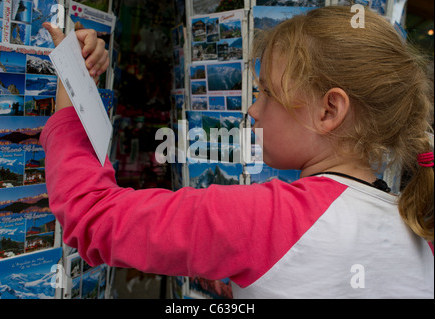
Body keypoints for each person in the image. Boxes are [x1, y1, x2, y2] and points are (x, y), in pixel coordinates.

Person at [41, 6, 434, 299]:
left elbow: (92, 214)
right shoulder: (418, 228)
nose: (252, 109)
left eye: (266, 93)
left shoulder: (262, 219)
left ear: (329, 110)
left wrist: (71, 88)